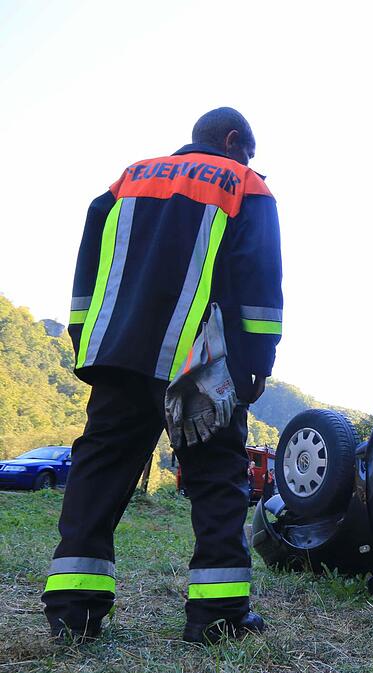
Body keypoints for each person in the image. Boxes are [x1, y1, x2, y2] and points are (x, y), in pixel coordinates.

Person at [43, 108, 283, 645]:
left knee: (100, 472)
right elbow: (259, 290)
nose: (249, 161)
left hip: (117, 353)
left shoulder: (126, 181)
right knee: (217, 474)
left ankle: (73, 613)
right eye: (248, 151)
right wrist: (254, 369)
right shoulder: (245, 185)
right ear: (232, 141)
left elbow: (86, 275)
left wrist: (87, 343)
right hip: (194, 360)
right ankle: (217, 616)